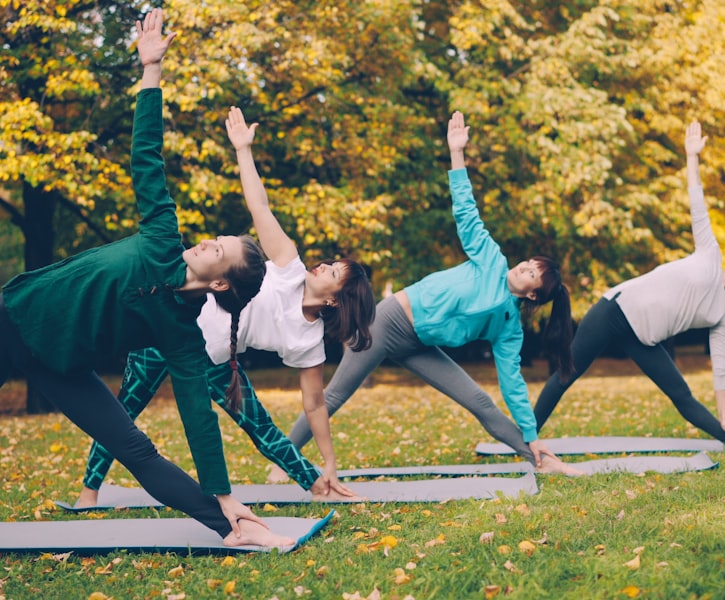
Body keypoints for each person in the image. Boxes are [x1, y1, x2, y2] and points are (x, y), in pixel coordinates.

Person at [0, 10, 293, 548]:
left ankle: (232, 528)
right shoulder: (163, 232)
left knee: (135, 449)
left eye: (219, 249)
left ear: (222, 284)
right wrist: (151, 71)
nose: (207, 241)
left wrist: (224, 493)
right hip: (13, 320)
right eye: (216, 238)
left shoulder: (181, 334)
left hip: (58, 365)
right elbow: (146, 156)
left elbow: (197, 418)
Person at [74, 106, 376, 508]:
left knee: (261, 428)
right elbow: (260, 208)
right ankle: (88, 492)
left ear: (336, 298)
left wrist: (330, 464)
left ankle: (318, 485)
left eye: (334, 271)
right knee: (124, 409)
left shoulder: (308, 341)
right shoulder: (289, 265)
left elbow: (315, 404)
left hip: (217, 358)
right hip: (166, 326)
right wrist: (243, 151)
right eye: (331, 261)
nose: (324, 264)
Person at [274, 110, 581, 478]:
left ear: (533, 295)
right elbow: (467, 213)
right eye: (528, 262)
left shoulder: (509, 328)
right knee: (335, 395)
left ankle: (541, 460)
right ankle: (284, 460)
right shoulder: (491, 260)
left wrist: (530, 433)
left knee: (480, 401)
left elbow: (511, 381)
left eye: (532, 272)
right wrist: (456, 153)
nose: (523, 266)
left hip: (418, 344)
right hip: (388, 322)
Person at [532, 120, 725, 450]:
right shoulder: (710, 252)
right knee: (566, 374)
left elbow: (721, 368)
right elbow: (696, 201)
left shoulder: (723, 315)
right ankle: (526, 437)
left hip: (643, 339)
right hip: (614, 311)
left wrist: (724, 412)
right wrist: (691, 156)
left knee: (682, 396)